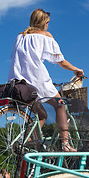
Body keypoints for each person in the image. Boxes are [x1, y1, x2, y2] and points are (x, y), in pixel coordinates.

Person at [8, 8, 84, 152]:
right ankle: (66, 144)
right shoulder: (45, 35)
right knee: (60, 104)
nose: (48, 25)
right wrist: (75, 69)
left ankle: (26, 142)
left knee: (41, 115)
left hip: (18, 83)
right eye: (47, 22)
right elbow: (60, 61)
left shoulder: (20, 37)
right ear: (43, 22)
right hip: (37, 80)